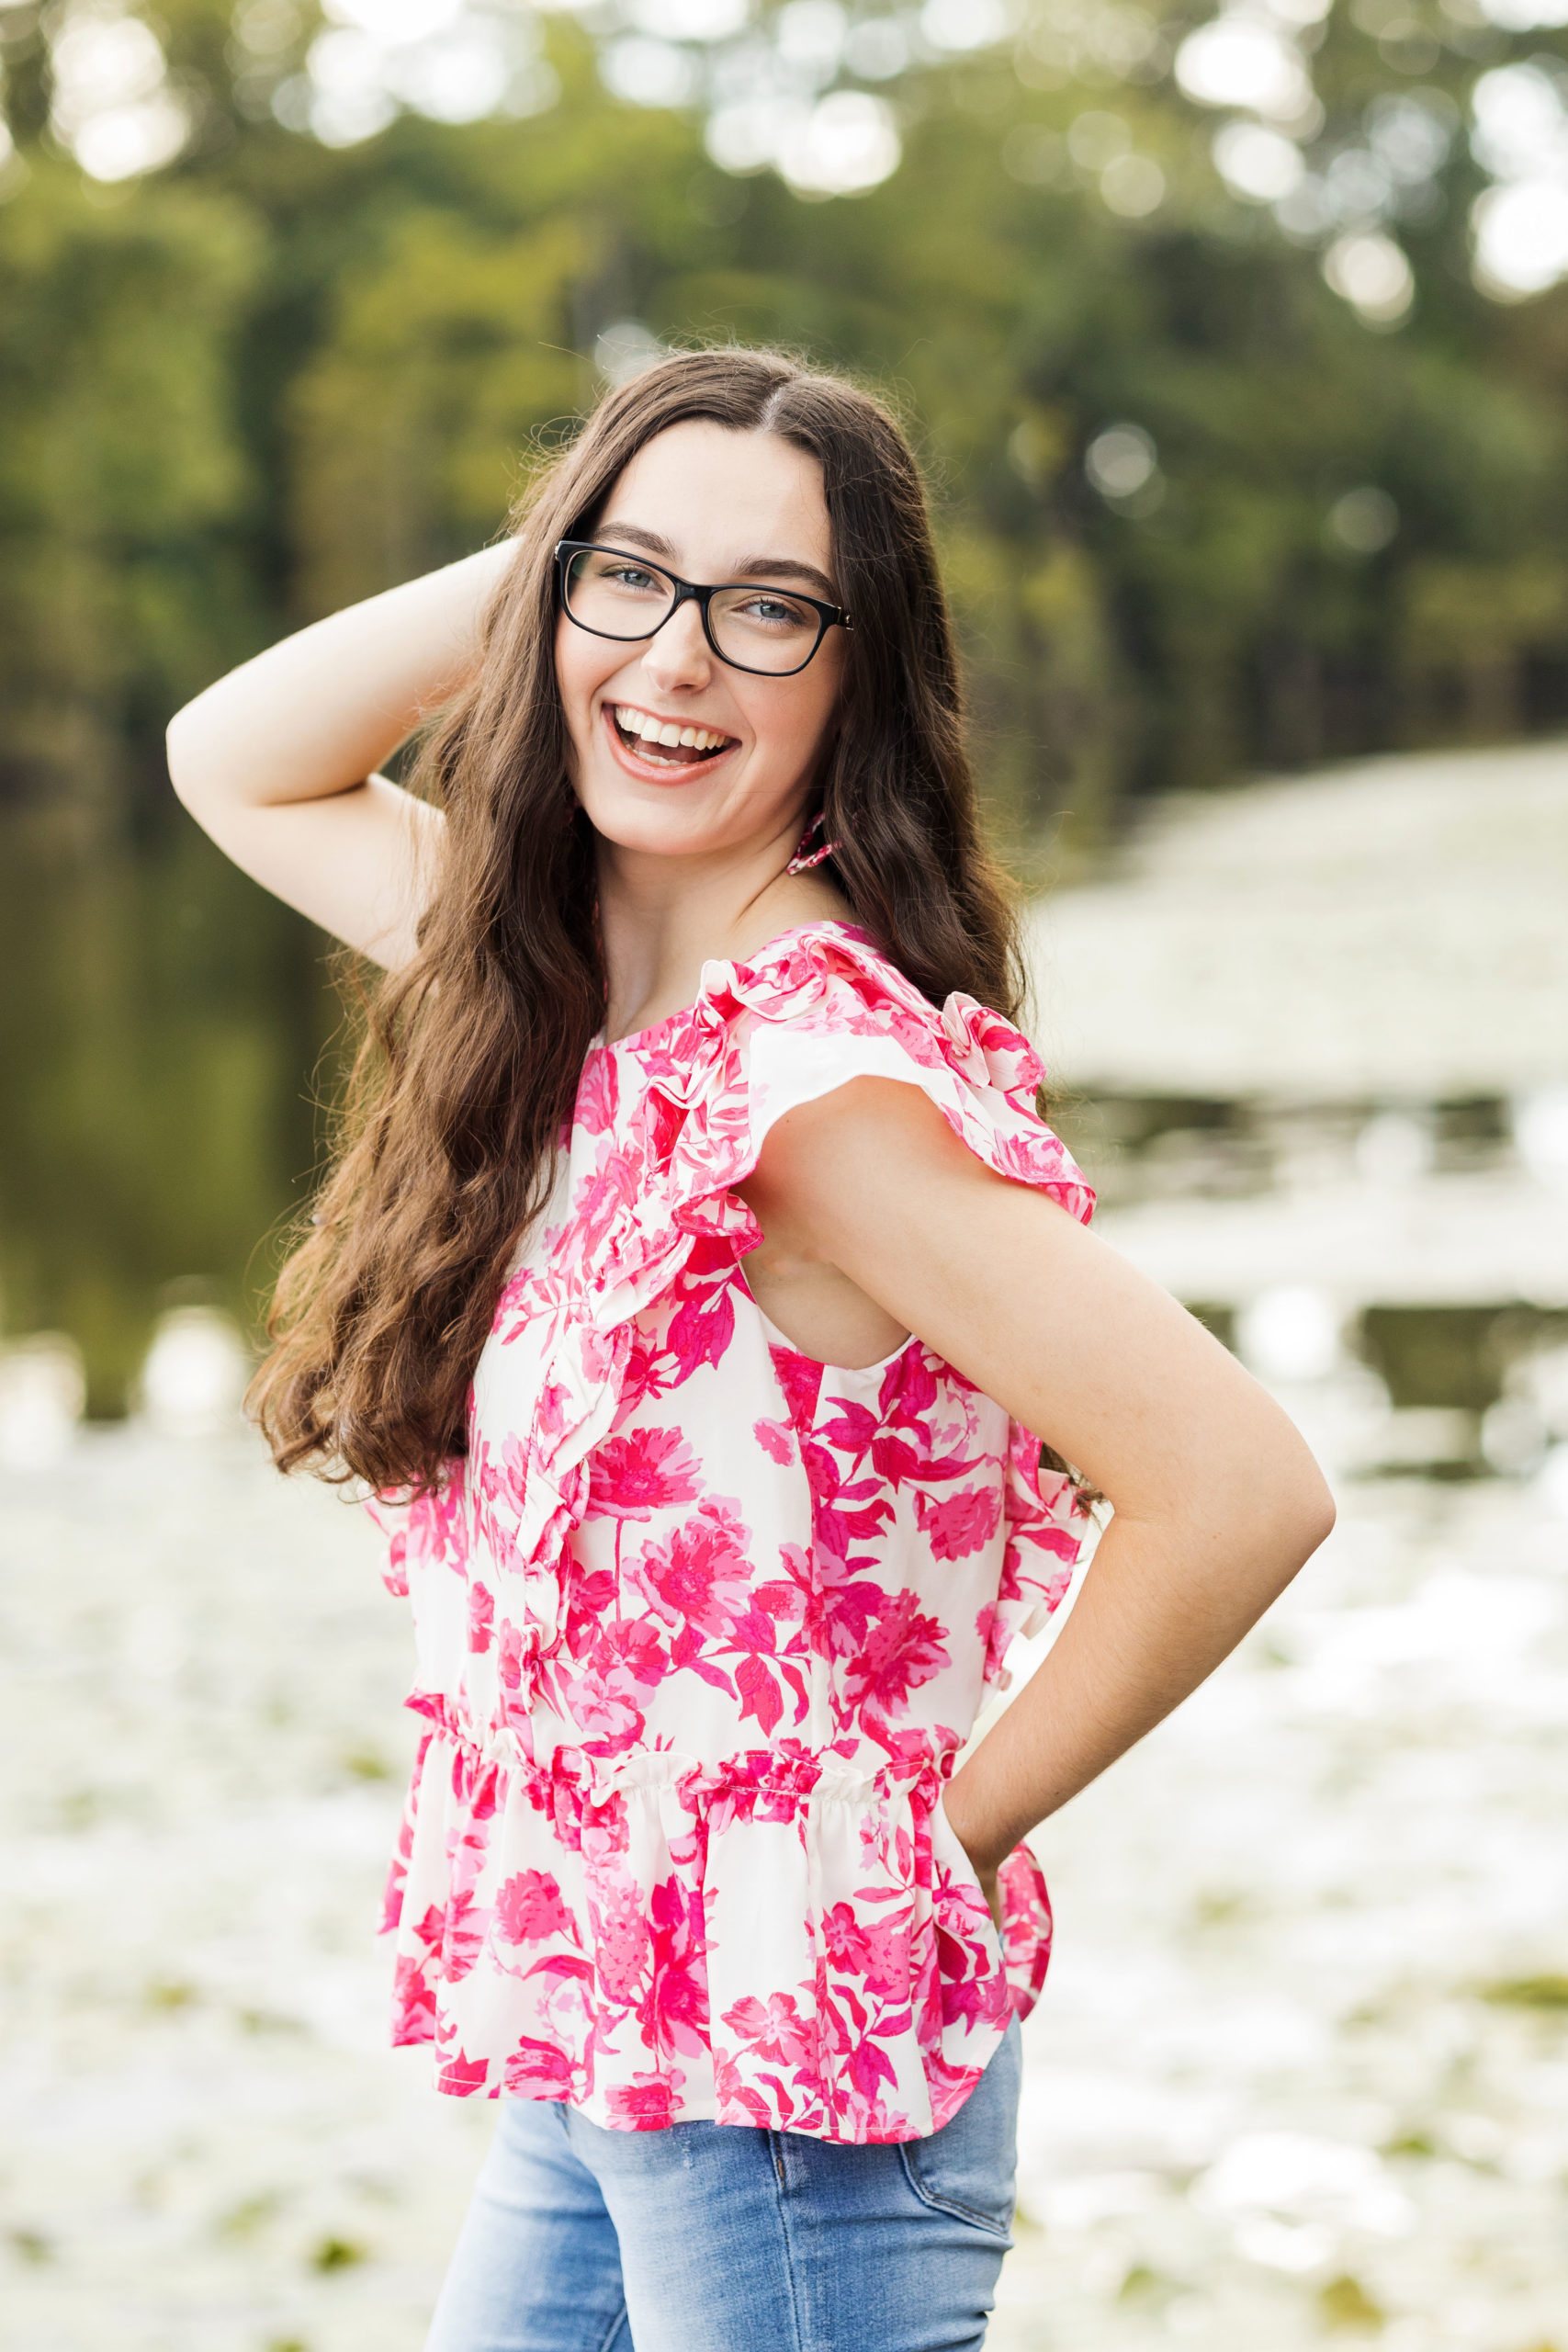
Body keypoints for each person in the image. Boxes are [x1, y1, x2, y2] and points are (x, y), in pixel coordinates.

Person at [165, 346, 1334, 2352]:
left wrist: (939, 1835)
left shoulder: (809, 1082)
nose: (678, 663)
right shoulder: (563, 985)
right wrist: (573, 554)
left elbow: (1237, 1487)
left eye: (768, 609)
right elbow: (234, 753)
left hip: (794, 2083)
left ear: (859, 680)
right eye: (631, 581)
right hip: (603, 2038)